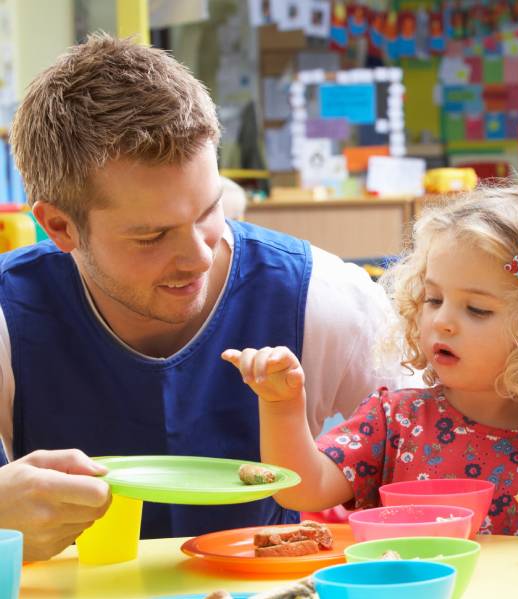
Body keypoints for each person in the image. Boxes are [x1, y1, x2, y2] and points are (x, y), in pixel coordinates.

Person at [2, 34, 399, 556]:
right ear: (59, 226)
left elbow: (433, 467)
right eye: (151, 236)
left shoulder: (326, 297)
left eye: (209, 211)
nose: (199, 256)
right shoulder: (9, 314)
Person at [223, 186, 518, 533]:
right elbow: (301, 490)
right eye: (433, 298)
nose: (442, 321)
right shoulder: (393, 421)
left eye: (477, 309)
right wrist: (282, 407)